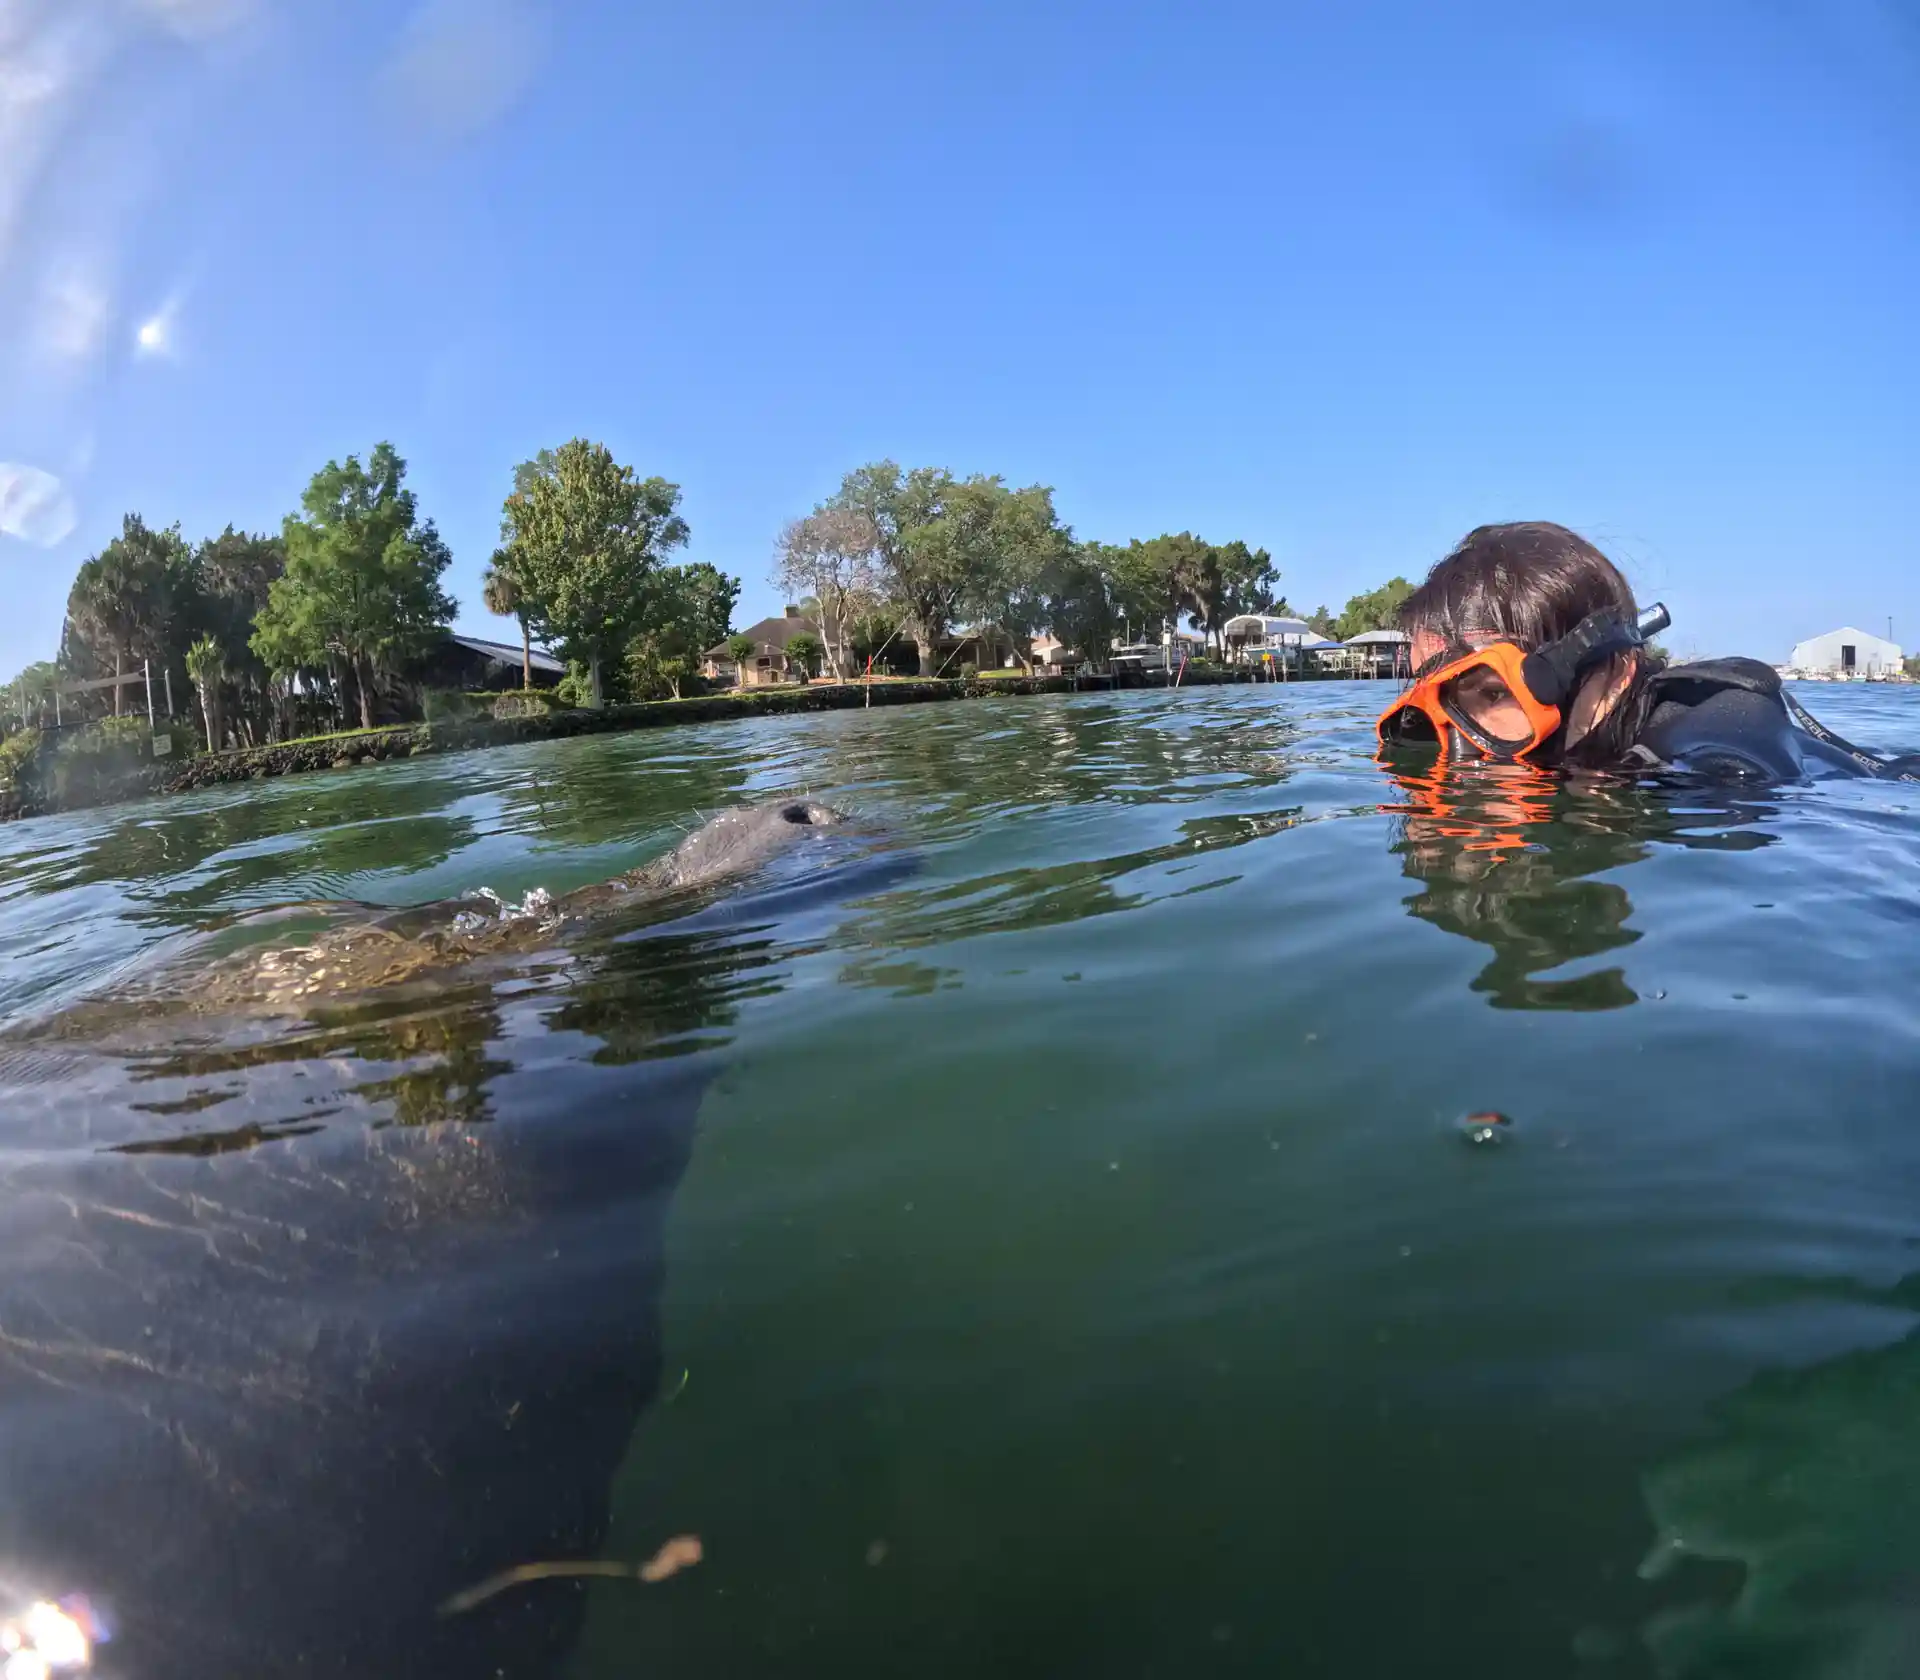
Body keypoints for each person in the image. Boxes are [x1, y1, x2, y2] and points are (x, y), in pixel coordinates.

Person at [1377, 522, 1920, 781]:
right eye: (1427, 714)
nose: (1458, 752)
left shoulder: (1714, 739)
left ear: (1613, 674)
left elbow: (1738, 785)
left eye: (1494, 693)